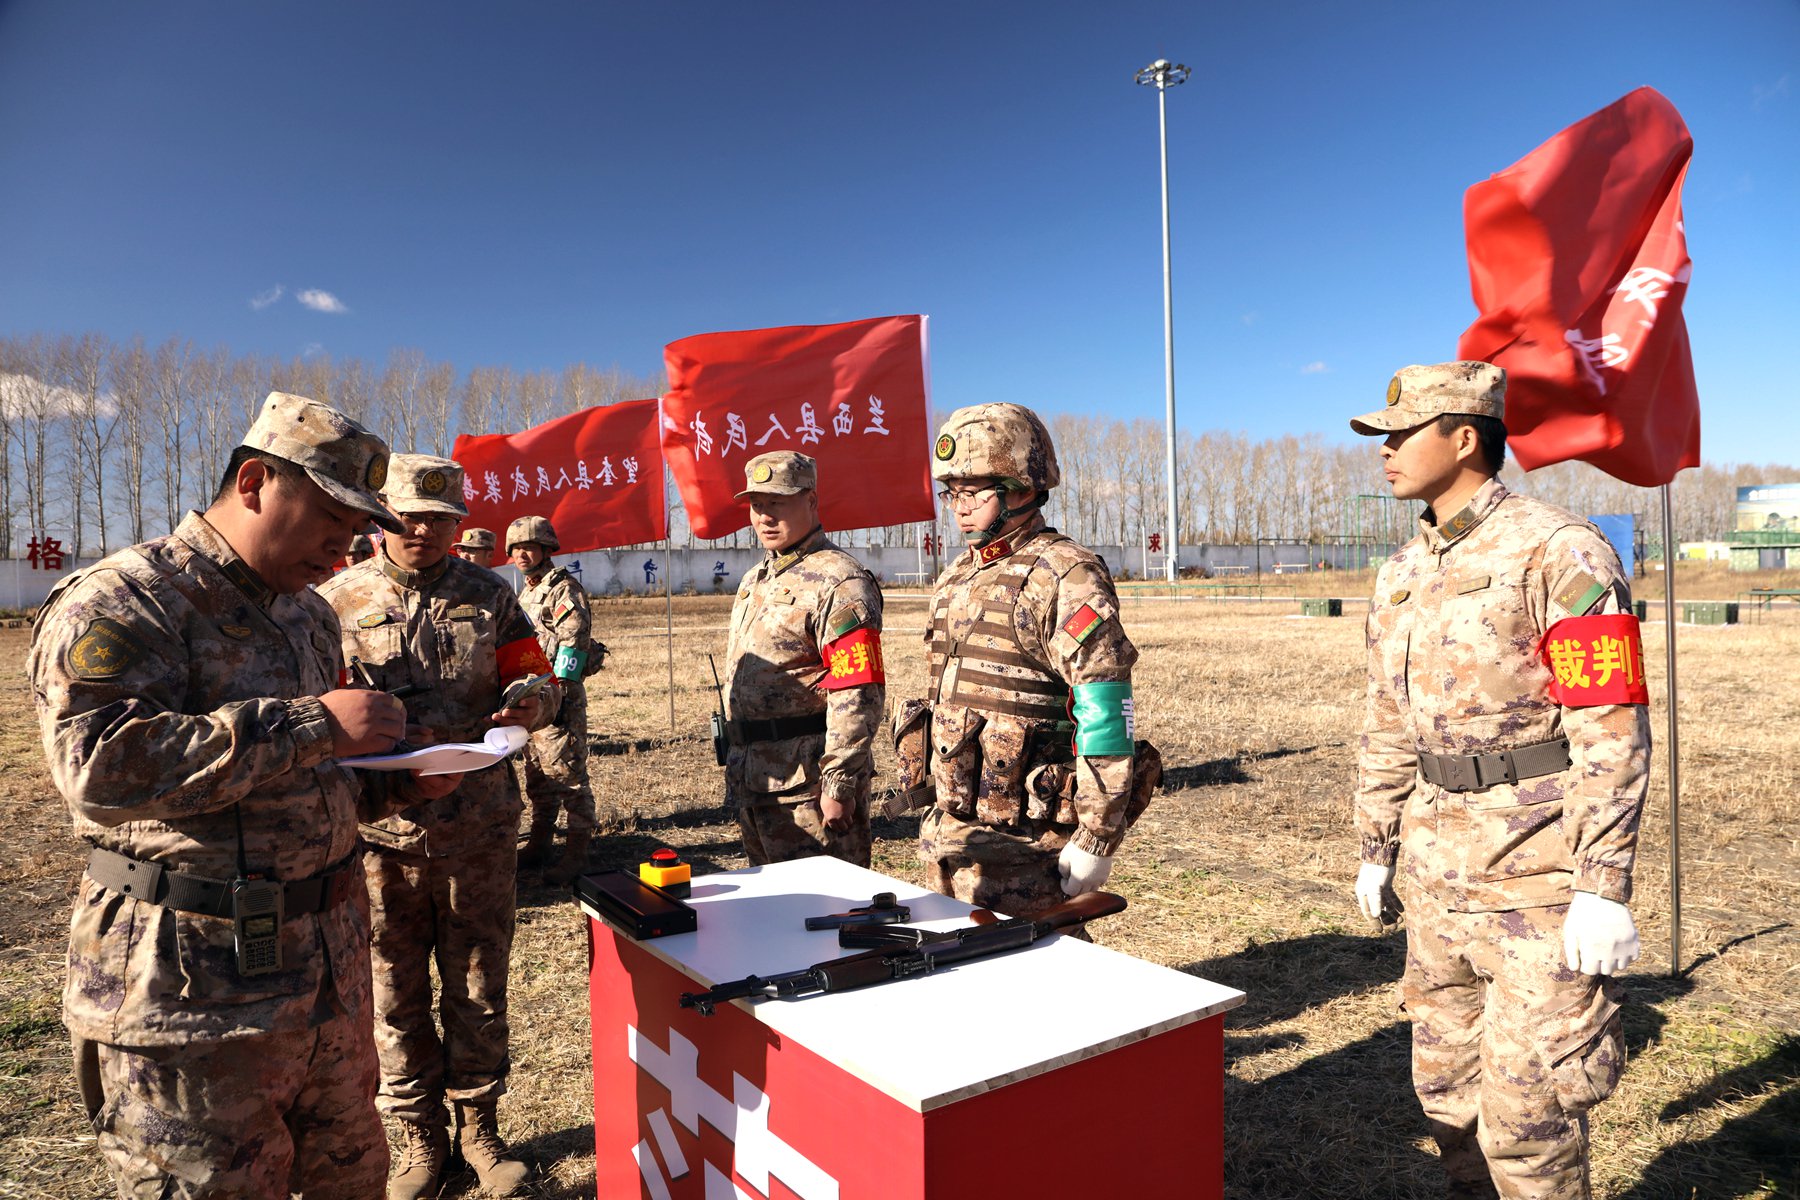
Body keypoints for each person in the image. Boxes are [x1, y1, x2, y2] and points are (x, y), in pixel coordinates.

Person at [27, 391, 456, 1198]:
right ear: (256, 480)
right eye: (331, 515)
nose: (346, 544)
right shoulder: (131, 597)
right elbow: (96, 767)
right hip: (193, 1002)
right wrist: (310, 725)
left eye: (359, 527)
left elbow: (295, 788)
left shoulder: (307, 617)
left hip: (324, 980)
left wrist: (397, 784)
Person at [1349, 362, 1651, 1200]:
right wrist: (1376, 846)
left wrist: (1603, 883)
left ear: (1466, 437)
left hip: (1537, 880)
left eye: (1402, 433)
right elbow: (1385, 720)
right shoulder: (1402, 570)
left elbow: (1611, 726)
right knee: (1447, 1103)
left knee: (1531, 1124)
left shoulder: (1562, 550)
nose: (1386, 451)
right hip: (1436, 880)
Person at [317, 454, 553, 1200]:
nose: (422, 529)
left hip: (478, 825)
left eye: (440, 518)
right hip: (380, 832)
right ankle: (416, 1135)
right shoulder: (334, 601)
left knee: (479, 982)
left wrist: (529, 702)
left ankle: (479, 1128)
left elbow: (537, 676)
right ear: (384, 515)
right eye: (409, 515)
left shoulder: (492, 596)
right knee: (392, 987)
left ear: (458, 524)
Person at [910, 403, 1150, 919]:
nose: (958, 505)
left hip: (1026, 845)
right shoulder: (955, 576)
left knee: (1039, 982)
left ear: (1021, 486)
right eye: (951, 491)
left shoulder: (1066, 574)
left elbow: (1105, 708)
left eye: (972, 490)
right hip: (950, 835)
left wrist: (1097, 834)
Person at [722, 451, 883, 866]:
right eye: (757, 505)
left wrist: (840, 781)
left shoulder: (840, 581)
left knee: (826, 913)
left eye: (777, 503)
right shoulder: (756, 578)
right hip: (756, 776)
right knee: (772, 911)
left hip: (808, 785)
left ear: (810, 501)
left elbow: (858, 689)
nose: (764, 517)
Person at [508, 514, 599, 884]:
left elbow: (573, 641)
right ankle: (541, 842)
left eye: (528, 547)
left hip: (557, 697)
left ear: (547, 549)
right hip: (532, 697)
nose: (521, 554)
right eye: (515, 548)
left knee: (568, 775)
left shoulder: (563, 589)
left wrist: (559, 691)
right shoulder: (528, 590)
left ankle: (576, 854)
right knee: (538, 773)